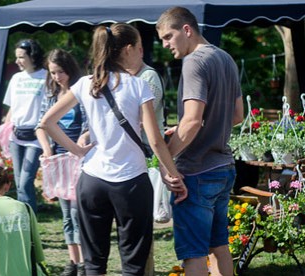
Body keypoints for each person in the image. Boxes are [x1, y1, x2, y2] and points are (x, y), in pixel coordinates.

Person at [39, 23, 187, 276]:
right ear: (128, 49)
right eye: (139, 47)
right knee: (133, 264)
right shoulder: (137, 85)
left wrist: (77, 150)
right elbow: (155, 140)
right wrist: (173, 174)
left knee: (94, 263)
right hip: (131, 181)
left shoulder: (86, 83)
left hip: (92, 180)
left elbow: (47, 122)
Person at [156, 7, 244, 276]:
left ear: (187, 30)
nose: (165, 45)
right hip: (223, 168)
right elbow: (238, 115)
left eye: (168, 37)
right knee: (219, 247)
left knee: (194, 255)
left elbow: (193, 121)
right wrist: (193, 127)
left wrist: (167, 158)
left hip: (196, 172)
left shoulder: (194, 61)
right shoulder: (225, 57)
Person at [36, 49, 88, 276]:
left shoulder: (81, 92)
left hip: (78, 158)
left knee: (78, 212)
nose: (57, 77)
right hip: (58, 159)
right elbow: (41, 126)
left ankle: (86, 261)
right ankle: (73, 261)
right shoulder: (49, 95)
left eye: (60, 72)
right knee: (66, 214)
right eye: (53, 73)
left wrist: (80, 143)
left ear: (69, 70)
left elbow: (88, 125)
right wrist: (47, 149)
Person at [0, 39, 47, 212]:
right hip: (16, 136)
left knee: (25, 181)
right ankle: (26, 222)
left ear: (33, 56)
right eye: (16, 57)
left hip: (36, 136)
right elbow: (11, 110)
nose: (17, 61)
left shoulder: (46, 77)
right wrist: (0, 139)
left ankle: (29, 223)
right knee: (19, 182)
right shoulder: (16, 78)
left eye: (21, 57)